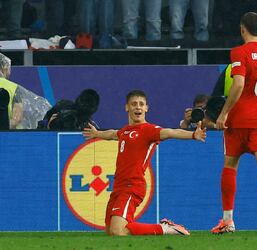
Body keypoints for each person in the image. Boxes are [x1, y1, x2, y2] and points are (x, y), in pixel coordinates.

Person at [83, 89, 206, 236]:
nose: (138, 107)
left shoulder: (148, 130)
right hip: (118, 187)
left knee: (118, 231)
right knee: (111, 231)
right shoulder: (124, 131)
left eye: (141, 104)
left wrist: (193, 134)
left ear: (147, 108)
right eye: (134, 104)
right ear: (126, 107)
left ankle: (165, 228)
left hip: (132, 185)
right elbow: (112, 133)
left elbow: (171, 132)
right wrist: (97, 134)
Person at [211, 12, 257, 235]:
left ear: (242, 29)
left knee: (230, 165)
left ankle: (228, 220)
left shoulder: (239, 52)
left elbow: (238, 84)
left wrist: (224, 114)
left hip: (239, 118)